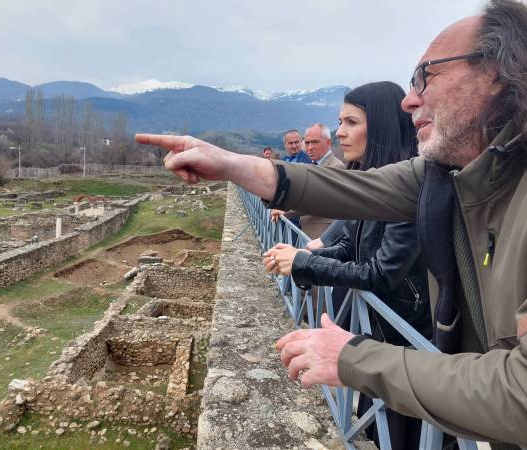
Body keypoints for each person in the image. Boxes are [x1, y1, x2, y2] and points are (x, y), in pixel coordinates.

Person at [135, 1, 527, 446]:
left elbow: (519, 394)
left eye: (427, 75)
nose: (409, 98)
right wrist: (228, 164)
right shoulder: (449, 175)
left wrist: (351, 358)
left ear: (496, 73)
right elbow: (350, 191)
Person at [264, 82, 432, 450]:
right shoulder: (371, 179)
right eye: (340, 121)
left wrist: (306, 263)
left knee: (404, 432)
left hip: (400, 336)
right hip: (377, 328)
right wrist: (300, 260)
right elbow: (346, 245)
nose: (340, 131)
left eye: (351, 122)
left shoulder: (406, 189)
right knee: (377, 422)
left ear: (382, 126)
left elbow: (381, 273)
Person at [271, 124, 343, 239]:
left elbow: (318, 201)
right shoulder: (313, 165)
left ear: (328, 142)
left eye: (315, 142)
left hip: (320, 234)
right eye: (308, 143)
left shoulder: (335, 167)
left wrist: (286, 210)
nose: (310, 147)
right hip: (307, 231)